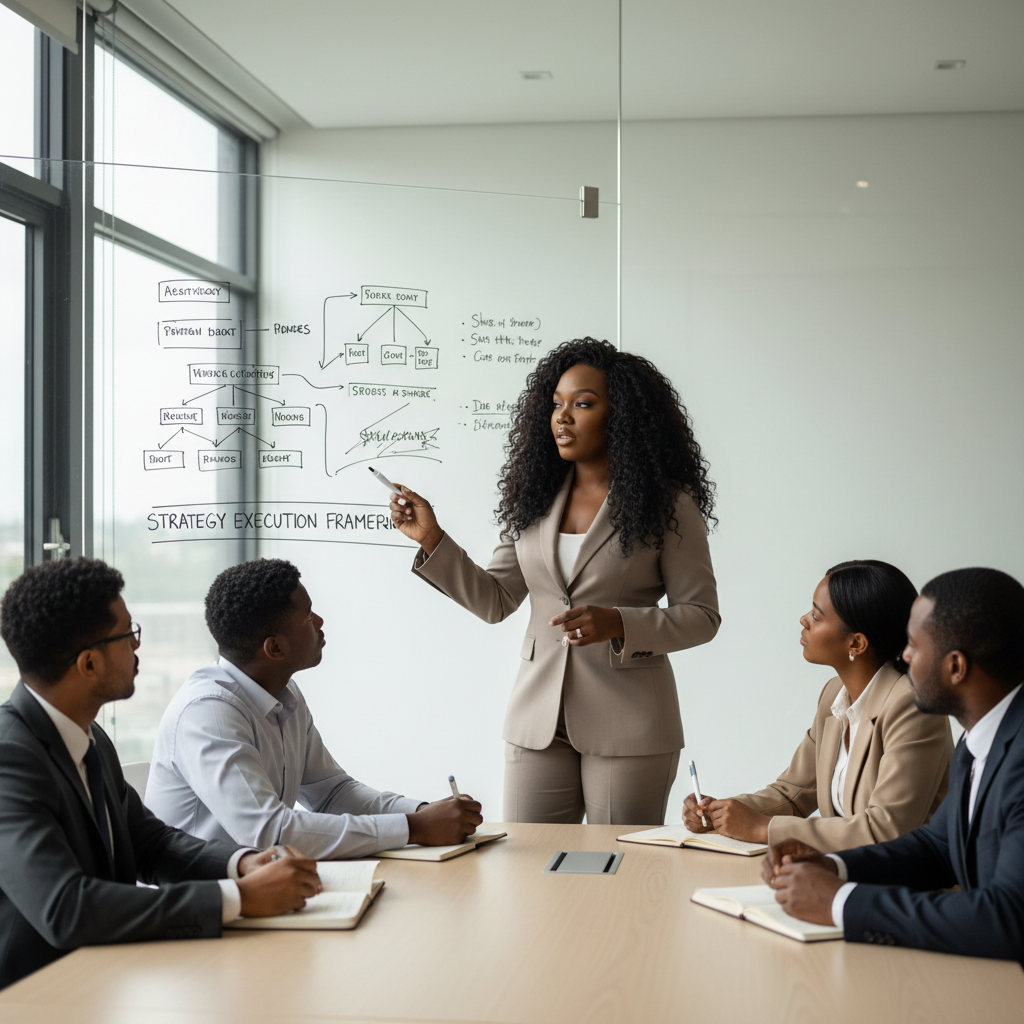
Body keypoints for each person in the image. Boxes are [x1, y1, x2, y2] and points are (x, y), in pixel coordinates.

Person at [391, 337, 720, 825]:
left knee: (617, 875)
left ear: (622, 416)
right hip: (537, 717)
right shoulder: (534, 500)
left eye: (583, 404)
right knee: (527, 871)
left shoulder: (669, 506)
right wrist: (432, 539)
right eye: (557, 404)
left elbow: (701, 617)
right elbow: (495, 600)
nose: (562, 417)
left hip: (628, 721)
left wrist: (620, 623)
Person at [0, 558, 320, 990]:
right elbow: (66, 908)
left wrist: (241, 864)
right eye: (128, 635)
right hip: (36, 994)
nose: (137, 647)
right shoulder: (9, 759)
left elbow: (151, 843)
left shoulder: (88, 734)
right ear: (89, 664)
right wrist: (241, 898)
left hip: (105, 976)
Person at [765, 567, 1024, 963]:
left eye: (915, 646)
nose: (902, 656)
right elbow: (938, 847)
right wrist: (832, 866)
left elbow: (1006, 918)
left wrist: (840, 902)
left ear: (955, 667)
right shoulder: (981, 738)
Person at [145, 558, 482, 857]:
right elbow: (270, 834)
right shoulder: (208, 713)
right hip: (205, 907)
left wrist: (424, 812)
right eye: (308, 618)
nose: (320, 621)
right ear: (274, 648)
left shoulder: (283, 692)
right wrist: (415, 828)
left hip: (261, 890)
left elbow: (332, 793)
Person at [683, 561, 953, 850]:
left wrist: (764, 828)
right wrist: (720, 811)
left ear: (857, 643)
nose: (803, 619)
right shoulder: (835, 695)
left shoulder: (912, 707)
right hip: (849, 873)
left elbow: (887, 830)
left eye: (816, 615)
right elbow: (792, 793)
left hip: (909, 886)